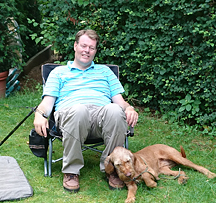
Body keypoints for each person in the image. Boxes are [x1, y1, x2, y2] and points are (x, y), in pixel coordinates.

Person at [33, 29, 139, 192]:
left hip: (101, 116)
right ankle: (71, 171)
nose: (87, 50)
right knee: (79, 110)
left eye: (91, 47)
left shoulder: (105, 72)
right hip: (71, 115)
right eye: (83, 46)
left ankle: (112, 169)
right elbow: (47, 103)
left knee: (115, 110)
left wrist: (129, 108)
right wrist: (39, 114)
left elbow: (120, 101)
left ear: (95, 51)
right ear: (75, 46)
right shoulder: (59, 73)